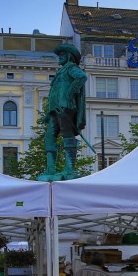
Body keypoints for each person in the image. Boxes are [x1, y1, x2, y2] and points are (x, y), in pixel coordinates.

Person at [37, 42, 87, 181]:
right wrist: (48, 113)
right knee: (49, 137)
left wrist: (68, 95)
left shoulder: (71, 68)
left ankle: (70, 168)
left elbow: (82, 77)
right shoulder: (61, 71)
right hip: (55, 110)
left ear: (69, 56)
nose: (59, 57)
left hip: (66, 107)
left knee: (67, 134)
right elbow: (55, 92)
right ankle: (51, 169)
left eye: (62, 55)